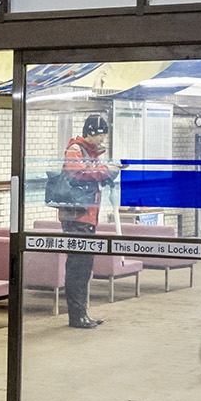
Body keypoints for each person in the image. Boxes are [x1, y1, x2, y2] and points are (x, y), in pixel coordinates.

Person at [60, 112, 113, 328]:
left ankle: (82, 313)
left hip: (88, 217)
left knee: (84, 267)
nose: (102, 140)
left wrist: (107, 174)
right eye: (100, 135)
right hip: (76, 218)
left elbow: (92, 174)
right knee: (77, 267)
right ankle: (76, 316)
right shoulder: (74, 150)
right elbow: (80, 174)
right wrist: (105, 171)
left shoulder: (91, 154)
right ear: (90, 132)